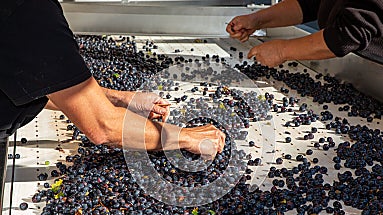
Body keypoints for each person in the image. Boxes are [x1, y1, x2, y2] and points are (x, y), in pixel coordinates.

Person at [0, 0, 225, 158]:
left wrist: (116, 98)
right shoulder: (30, 13)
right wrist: (186, 137)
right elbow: (102, 127)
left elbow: (33, 83)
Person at [226, 0, 383, 69]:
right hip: (349, 67)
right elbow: (314, 3)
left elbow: (348, 35)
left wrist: (281, 51)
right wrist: (258, 19)